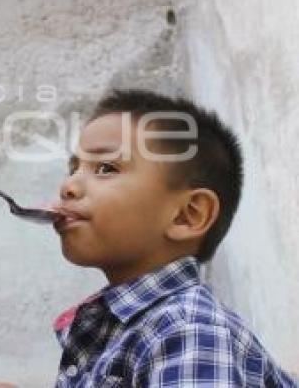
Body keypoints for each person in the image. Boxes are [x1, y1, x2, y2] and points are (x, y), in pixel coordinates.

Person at [50, 89, 297, 386]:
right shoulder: (130, 327)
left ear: (187, 215)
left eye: (105, 168)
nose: (69, 185)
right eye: (73, 168)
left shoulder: (188, 328)